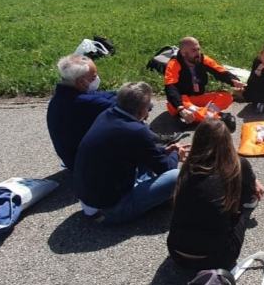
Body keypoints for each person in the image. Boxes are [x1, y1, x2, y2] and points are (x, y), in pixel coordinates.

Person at [74, 82, 188, 224]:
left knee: (145, 153)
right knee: (176, 176)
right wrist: (176, 153)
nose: (149, 111)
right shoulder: (137, 131)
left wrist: (164, 151)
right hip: (111, 210)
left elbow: (142, 148)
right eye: (149, 108)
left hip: (91, 201)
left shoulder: (107, 115)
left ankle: (149, 193)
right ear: (141, 111)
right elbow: (166, 168)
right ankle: (145, 200)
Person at [167, 119, 264, 270]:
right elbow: (246, 196)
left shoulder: (188, 167)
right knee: (245, 208)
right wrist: (251, 183)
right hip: (217, 260)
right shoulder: (238, 164)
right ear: (227, 141)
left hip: (177, 254)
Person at [46, 54, 116, 171]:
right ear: (81, 82)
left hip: (72, 159)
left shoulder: (61, 97)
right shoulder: (89, 104)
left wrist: (118, 94)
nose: (97, 78)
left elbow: (103, 95)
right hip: (90, 167)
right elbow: (131, 107)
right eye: (93, 77)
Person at [164, 36, 244, 131]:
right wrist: (181, 109)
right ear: (183, 53)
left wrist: (233, 80)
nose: (198, 53)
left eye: (198, 49)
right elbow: (170, 88)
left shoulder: (202, 59)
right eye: (194, 50)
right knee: (191, 109)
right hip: (181, 102)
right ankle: (217, 119)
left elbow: (219, 71)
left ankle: (200, 117)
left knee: (226, 97)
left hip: (198, 98)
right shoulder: (174, 64)